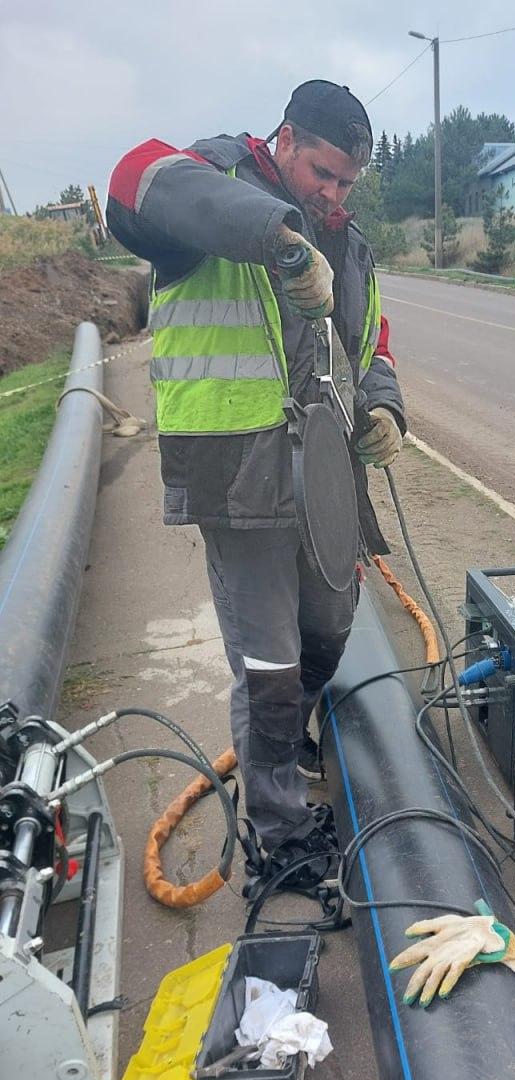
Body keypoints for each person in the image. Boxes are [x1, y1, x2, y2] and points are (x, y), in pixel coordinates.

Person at [106, 80, 405, 886]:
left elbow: (369, 341)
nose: (332, 194)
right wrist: (281, 238)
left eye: (346, 183)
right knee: (269, 669)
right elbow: (131, 179)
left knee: (330, 632)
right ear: (284, 139)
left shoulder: (349, 242)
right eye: (321, 173)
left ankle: (283, 740)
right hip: (241, 476)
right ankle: (276, 832)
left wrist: (384, 408)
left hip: (326, 480)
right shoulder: (212, 180)